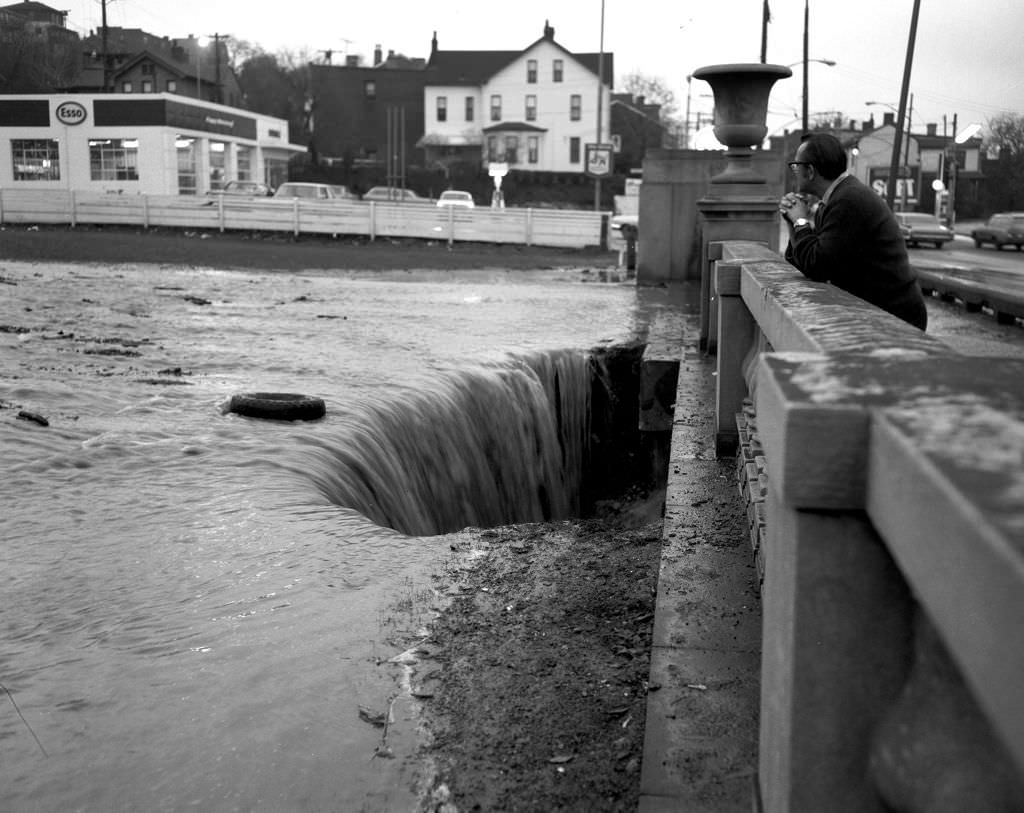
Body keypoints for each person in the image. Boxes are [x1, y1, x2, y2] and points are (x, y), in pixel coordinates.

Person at [779, 132, 928, 331]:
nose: (794, 171)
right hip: (879, 311)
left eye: (796, 166)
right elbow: (803, 261)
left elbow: (818, 266)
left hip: (895, 317)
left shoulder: (848, 201)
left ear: (810, 171)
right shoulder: (836, 198)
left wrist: (800, 220)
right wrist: (792, 219)